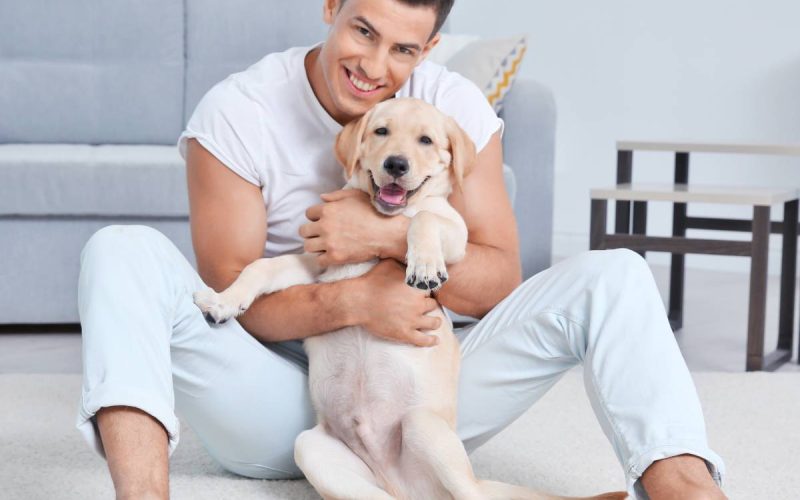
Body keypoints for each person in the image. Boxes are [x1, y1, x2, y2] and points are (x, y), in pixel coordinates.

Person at [76, 0, 727, 498]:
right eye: (363, 30)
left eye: (403, 49)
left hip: (425, 393)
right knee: (119, 249)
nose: (374, 67)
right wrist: (358, 301)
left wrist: (383, 236)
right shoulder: (238, 112)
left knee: (616, 273)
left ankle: (683, 487)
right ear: (331, 6)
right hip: (277, 400)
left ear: (432, 46)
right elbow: (234, 298)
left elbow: (500, 278)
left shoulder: (451, 106)